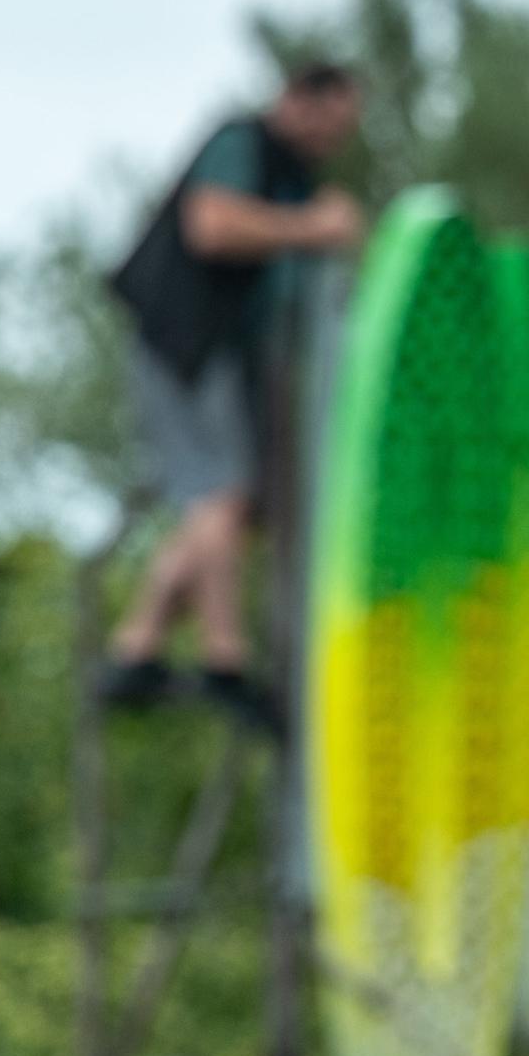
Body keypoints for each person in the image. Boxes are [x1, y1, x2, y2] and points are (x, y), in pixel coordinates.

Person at [96, 62, 368, 732]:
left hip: (220, 355)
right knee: (221, 494)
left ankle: (138, 645)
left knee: (231, 511)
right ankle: (226, 661)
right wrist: (313, 227)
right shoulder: (242, 141)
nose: (334, 139)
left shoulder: (290, 170)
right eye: (330, 120)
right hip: (184, 344)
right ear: (300, 100)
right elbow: (211, 226)